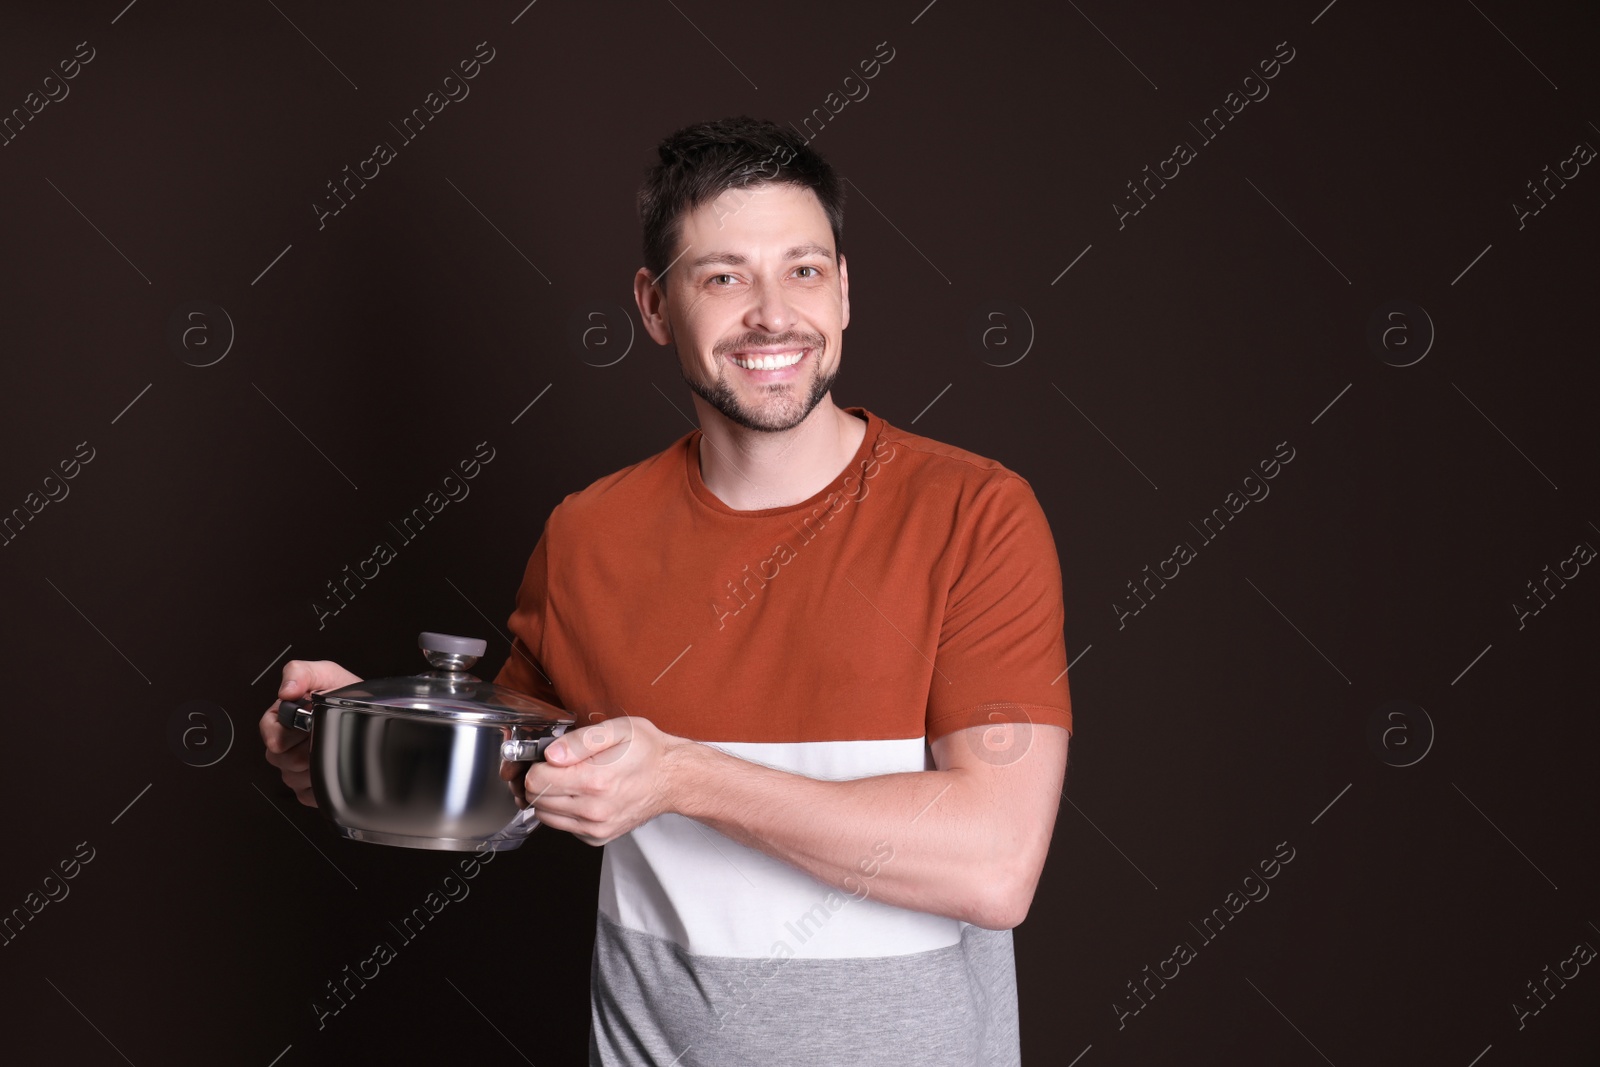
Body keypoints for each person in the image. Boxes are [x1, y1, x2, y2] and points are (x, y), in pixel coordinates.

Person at [262, 116, 1072, 1066]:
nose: (773, 314)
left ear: (846, 291)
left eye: (804, 270)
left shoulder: (976, 512)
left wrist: (685, 775)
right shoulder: (588, 534)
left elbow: (994, 864)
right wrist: (357, 742)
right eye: (724, 276)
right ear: (653, 305)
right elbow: (510, 782)